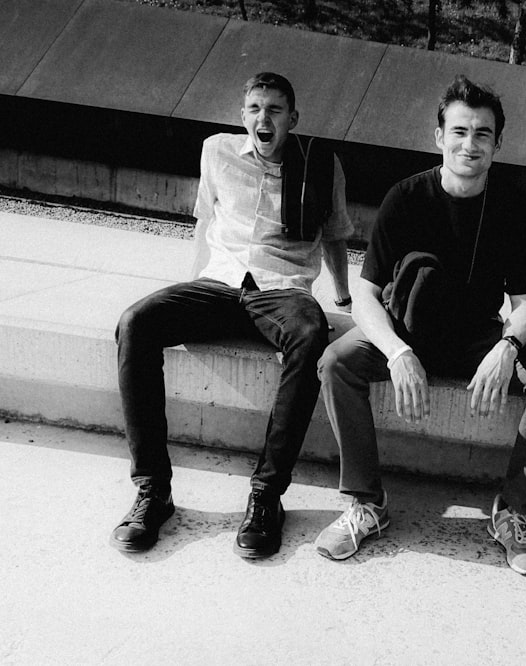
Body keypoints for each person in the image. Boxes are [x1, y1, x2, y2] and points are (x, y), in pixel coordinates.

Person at [314, 75, 526, 576]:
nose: (469, 144)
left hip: (480, 336)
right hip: (406, 330)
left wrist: (505, 348)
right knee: (336, 362)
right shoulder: (405, 197)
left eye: (482, 134)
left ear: (497, 144)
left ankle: (515, 512)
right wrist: (396, 351)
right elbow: (366, 297)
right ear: (439, 136)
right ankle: (366, 503)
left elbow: (524, 306)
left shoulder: (513, 206)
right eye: (459, 131)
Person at [110, 72, 354, 559]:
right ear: (243, 115)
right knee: (136, 321)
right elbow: (206, 218)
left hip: (281, 288)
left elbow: (335, 236)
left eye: (275, 110)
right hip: (219, 282)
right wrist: (191, 288)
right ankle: (153, 490)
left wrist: (345, 302)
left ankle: (266, 495)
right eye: (255, 109)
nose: (264, 119)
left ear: (293, 118)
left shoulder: (321, 165)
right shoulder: (216, 150)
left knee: (311, 336)